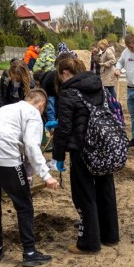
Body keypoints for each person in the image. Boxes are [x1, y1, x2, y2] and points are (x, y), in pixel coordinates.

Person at [0, 89, 59, 267]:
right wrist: (46, 175)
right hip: (3, 152)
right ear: (41, 105)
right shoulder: (33, 113)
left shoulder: (7, 109)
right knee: (24, 203)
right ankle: (29, 251)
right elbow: (31, 145)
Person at [51, 58, 119, 254]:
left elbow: (65, 128)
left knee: (84, 195)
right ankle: (110, 235)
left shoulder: (68, 92)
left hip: (81, 148)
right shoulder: (99, 86)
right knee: (106, 189)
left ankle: (89, 242)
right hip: (103, 145)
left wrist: (58, 156)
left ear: (65, 73)